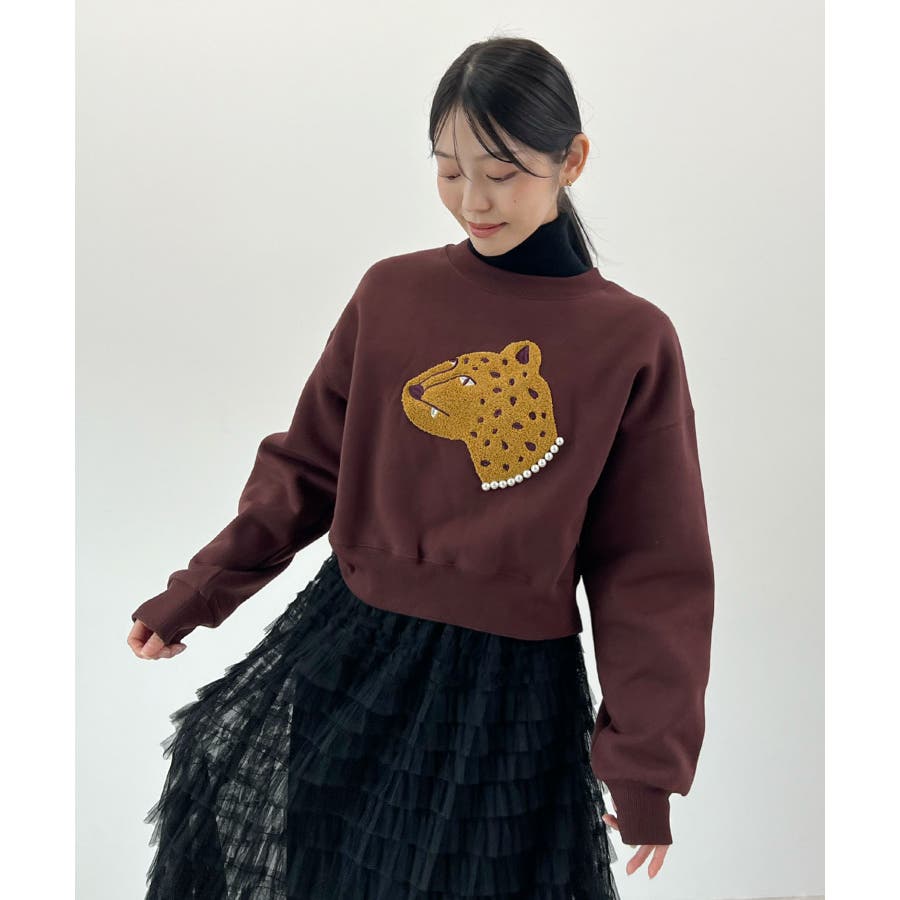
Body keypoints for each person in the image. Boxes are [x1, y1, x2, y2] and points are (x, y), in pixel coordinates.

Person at [127, 35, 714, 898]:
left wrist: (643, 762)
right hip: (349, 653)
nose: (472, 200)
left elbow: (651, 568)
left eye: (503, 172)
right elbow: (307, 466)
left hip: (507, 694)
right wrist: (201, 590)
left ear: (572, 161)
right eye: (448, 170)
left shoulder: (631, 340)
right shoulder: (391, 294)